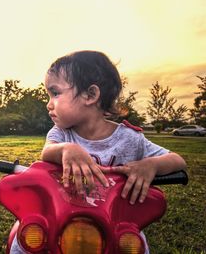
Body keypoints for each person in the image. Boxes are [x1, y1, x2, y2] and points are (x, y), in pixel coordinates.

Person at [11, 50, 187, 254]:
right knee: (27, 242)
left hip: (114, 224)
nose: (48, 104)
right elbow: (48, 152)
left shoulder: (130, 139)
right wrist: (67, 149)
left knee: (134, 246)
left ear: (90, 95)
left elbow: (178, 160)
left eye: (55, 93)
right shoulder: (62, 134)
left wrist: (152, 165)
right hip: (63, 219)